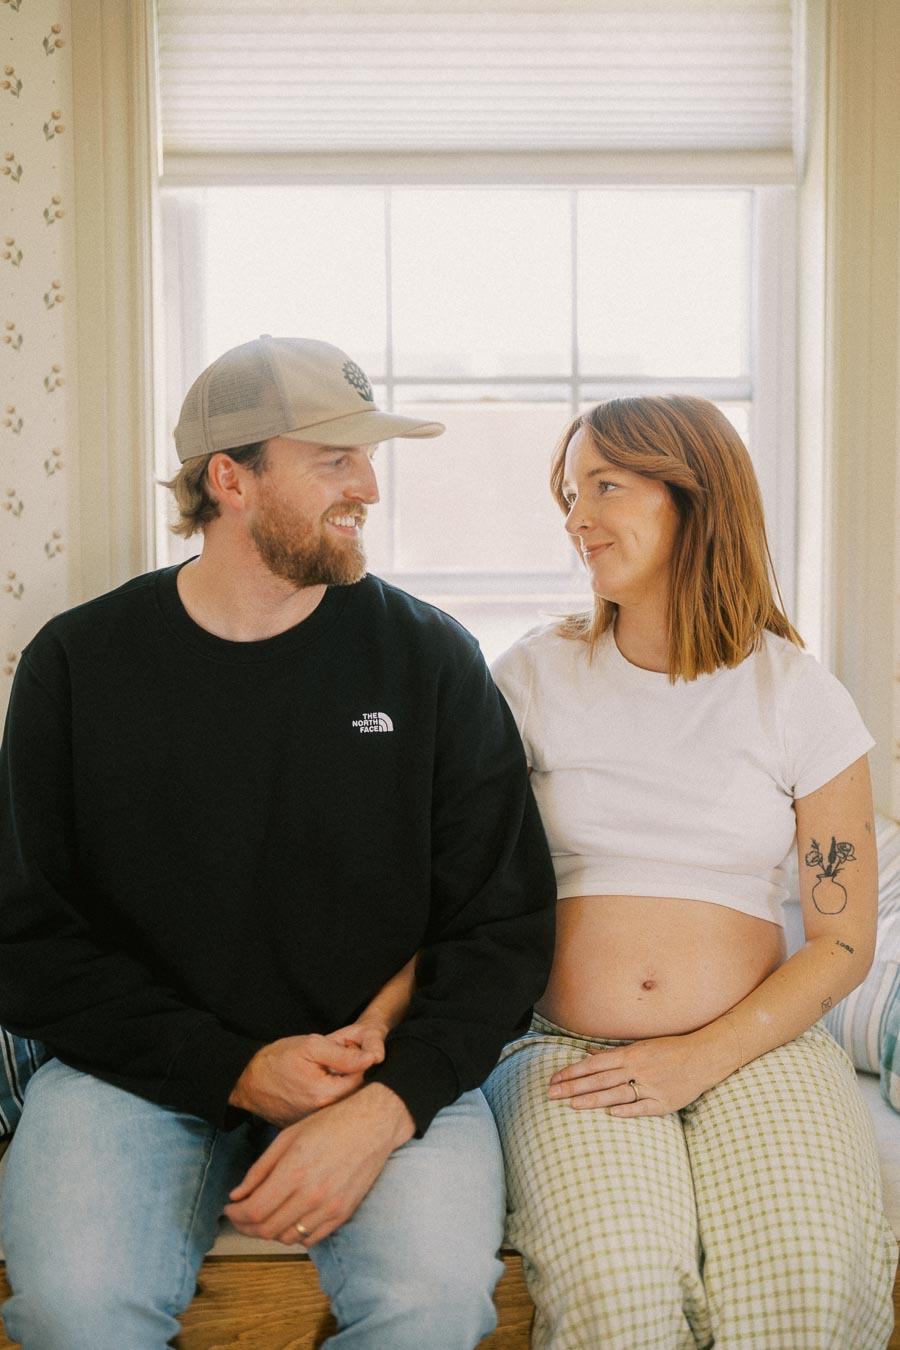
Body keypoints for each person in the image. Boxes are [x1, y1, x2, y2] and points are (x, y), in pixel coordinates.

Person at [0, 335, 557, 1350]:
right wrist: (233, 1066)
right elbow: (27, 941)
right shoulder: (79, 666)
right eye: (334, 460)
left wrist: (388, 1103)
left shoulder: (429, 659)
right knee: (76, 1309)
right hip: (135, 1070)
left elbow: (502, 925)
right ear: (231, 480)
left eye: (369, 457)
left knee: (432, 1304)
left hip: (378, 1072)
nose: (370, 488)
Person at [483, 395, 898, 1349]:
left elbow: (841, 939)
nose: (575, 515)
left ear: (692, 497)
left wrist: (698, 1058)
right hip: (567, 1054)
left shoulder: (796, 693)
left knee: (806, 1281)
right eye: (570, 491)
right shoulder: (533, 677)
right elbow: (452, 876)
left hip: (761, 1049)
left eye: (606, 487)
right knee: (616, 1293)